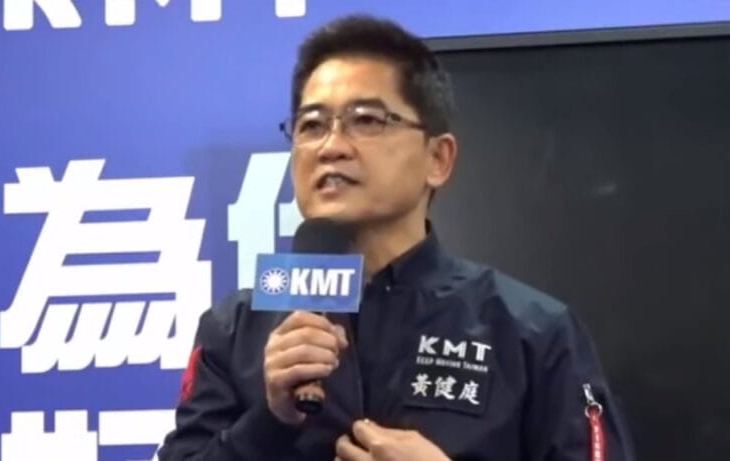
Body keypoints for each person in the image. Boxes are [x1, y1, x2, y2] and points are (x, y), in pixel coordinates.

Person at [158, 14, 636, 461]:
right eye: (312, 125)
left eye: (367, 120)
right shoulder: (235, 329)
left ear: (438, 159)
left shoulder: (530, 330)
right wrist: (270, 421)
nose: (331, 146)